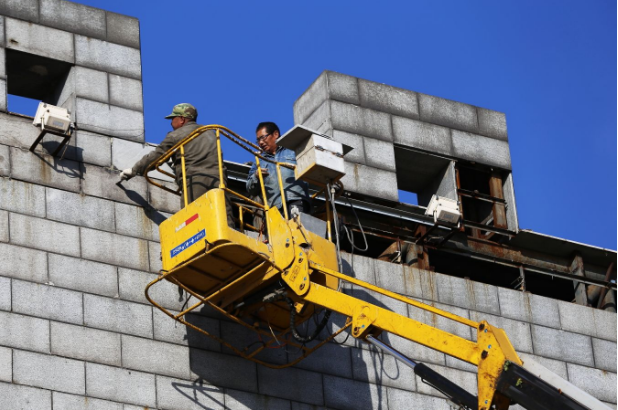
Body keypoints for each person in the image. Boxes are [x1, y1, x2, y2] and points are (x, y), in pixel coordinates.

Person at [120, 103, 234, 228]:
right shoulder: (211, 133)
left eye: (173, 118)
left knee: (195, 223)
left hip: (194, 182)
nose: (171, 123)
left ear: (182, 119)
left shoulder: (176, 135)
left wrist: (134, 170)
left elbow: (156, 156)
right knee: (224, 219)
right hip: (220, 181)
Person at [246, 122, 310, 218]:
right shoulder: (259, 161)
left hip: (295, 200)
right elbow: (249, 188)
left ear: (275, 134)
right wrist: (256, 176)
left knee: (298, 230)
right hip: (274, 208)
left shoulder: (292, 150)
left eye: (263, 137)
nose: (261, 142)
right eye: (258, 140)